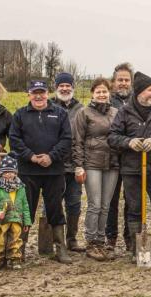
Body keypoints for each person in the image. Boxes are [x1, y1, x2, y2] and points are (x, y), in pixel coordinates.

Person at [108, 72, 151, 264]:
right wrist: (129, 142)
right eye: (150, 90)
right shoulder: (125, 111)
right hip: (131, 169)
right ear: (139, 92)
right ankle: (136, 250)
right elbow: (112, 137)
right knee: (135, 209)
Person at [9, 79, 73, 263]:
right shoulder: (20, 115)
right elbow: (14, 140)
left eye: (42, 92)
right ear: (28, 94)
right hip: (28, 171)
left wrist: (51, 157)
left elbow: (66, 139)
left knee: (55, 209)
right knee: (24, 210)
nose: (38, 96)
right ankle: (18, 249)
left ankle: (60, 249)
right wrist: (31, 156)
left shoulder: (59, 113)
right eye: (34, 92)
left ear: (47, 93)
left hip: (54, 172)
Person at [71, 77, 119, 261]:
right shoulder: (84, 113)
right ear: (93, 93)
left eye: (104, 91)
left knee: (106, 205)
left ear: (109, 93)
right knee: (95, 204)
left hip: (112, 163)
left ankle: (101, 240)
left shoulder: (116, 112)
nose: (101, 94)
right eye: (98, 91)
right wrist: (79, 165)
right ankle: (91, 241)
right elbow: (77, 141)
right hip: (92, 163)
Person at [50, 72, 84, 254]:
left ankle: (72, 239)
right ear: (56, 88)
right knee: (53, 203)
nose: (64, 88)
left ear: (72, 87)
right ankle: (55, 241)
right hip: (54, 165)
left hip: (74, 165)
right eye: (61, 85)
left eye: (67, 85)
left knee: (74, 203)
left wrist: (80, 163)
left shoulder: (80, 109)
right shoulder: (48, 106)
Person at [105, 62, 134, 252]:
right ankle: (110, 237)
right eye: (119, 80)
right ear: (113, 82)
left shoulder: (137, 101)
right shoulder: (107, 102)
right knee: (111, 201)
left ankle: (130, 236)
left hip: (132, 159)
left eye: (126, 80)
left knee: (131, 200)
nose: (123, 83)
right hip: (112, 159)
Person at [0, 156, 31, 271]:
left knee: (16, 240)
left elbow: (25, 206)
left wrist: (27, 221)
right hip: (2, 220)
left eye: (11, 171)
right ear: (1, 173)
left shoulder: (20, 187)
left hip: (17, 219)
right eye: (6, 172)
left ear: (16, 173)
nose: (9, 174)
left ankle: (15, 259)